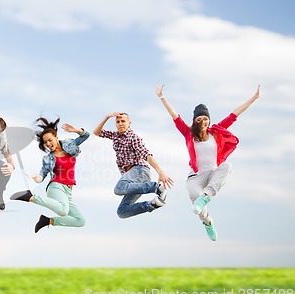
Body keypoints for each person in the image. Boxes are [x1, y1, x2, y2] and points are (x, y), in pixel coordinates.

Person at [155, 84, 261, 241]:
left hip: (213, 174)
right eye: (199, 118)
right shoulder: (187, 133)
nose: (203, 121)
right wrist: (162, 97)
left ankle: (206, 196)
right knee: (194, 201)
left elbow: (235, 114)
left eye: (206, 118)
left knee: (227, 166)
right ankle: (208, 222)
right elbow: (174, 115)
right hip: (196, 176)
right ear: (195, 121)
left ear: (209, 120)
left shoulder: (216, 131)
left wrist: (254, 98)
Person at [10, 117, 89, 233]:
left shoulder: (69, 144)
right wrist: (35, 177)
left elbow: (85, 136)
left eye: (50, 140)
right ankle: (30, 197)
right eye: (45, 142)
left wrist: (76, 130)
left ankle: (47, 221)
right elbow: (41, 177)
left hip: (68, 190)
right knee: (63, 211)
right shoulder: (48, 158)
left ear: (56, 138)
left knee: (80, 221)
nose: (48, 144)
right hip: (56, 187)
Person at [93, 112, 173, 220]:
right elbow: (96, 132)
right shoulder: (115, 136)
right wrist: (107, 117)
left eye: (123, 121)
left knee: (119, 188)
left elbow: (147, 155)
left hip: (140, 171)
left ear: (129, 123)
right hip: (133, 179)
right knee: (122, 212)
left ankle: (156, 188)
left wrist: (160, 172)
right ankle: (153, 204)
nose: (120, 124)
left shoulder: (133, 137)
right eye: (118, 122)